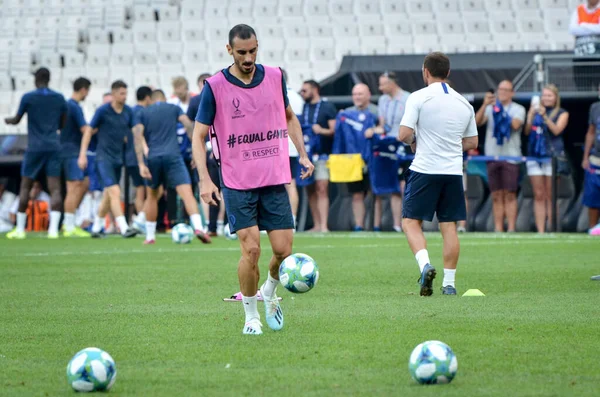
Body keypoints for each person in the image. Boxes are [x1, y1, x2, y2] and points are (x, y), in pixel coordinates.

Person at [191, 24, 314, 335]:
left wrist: (302, 154)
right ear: (229, 50)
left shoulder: (274, 76)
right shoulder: (215, 85)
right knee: (252, 251)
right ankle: (251, 317)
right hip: (237, 180)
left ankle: (270, 291)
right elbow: (198, 136)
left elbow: (288, 117)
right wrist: (205, 179)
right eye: (242, 52)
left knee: (284, 251)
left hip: (274, 177)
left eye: (253, 50)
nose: (248, 57)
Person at [398, 52, 478, 296]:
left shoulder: (419, 97)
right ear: (449, 72)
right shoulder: (464, 102)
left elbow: (403, 134)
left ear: (425, 71)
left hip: (425, 168)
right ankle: (449, 284)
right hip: (453, 172)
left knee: (411, 222)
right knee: (449, 226)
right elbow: (472, 141)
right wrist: (450, 144)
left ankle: (425, 266)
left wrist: (415, 140)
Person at [133, 89, 211, 245]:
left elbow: (137, 135)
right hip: (173, 156)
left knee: (152, 196)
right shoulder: (174, 108)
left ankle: (150, 236)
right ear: (164, 98)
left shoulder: (144, 112)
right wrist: (196, 152)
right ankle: (198, 228)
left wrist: (141, 163)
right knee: (186, 193)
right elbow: (189, 126)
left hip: (153, 157)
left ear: (150, 99)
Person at [5, 67, 67, 239]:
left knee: (25, 185)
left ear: (36, 79)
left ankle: (19, 230)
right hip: (53, 145)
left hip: (35, 146)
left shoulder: (29, 97)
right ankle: (53, 230)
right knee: (55, 187)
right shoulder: (59, 98)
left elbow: (16, 119)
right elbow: (63, 123)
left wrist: (8, 121)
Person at [78, 80, 139, 238]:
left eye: (126, 93)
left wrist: (143, 148)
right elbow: (88, 131)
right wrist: (82, 154)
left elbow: (136, 131)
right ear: (113, 94)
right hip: (103, 158)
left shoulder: (128, 112)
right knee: (114, 191)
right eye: (121, 93)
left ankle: (97, 227)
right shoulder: (102, 111)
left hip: (118, 158)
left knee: (108, 194)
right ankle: (124, 227)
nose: (124, 96)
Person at [475, 80, 525, 233]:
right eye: (500, 89)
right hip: (492, 156)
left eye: (505, 90)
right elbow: (476, 122)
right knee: (496, 194)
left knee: (510, 193)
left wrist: (499, 111)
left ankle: (510, 228)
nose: (502, 92)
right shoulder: (491, 108)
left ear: (512, 92)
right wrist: (485, 105)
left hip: (511, 157)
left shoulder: (518, 109)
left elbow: (515, 125)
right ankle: (498, 228)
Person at [524, 85, 569, 233]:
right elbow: (526, 131)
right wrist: (530, 115)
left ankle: (552, 228)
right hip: (534, 156)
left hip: (552, 157)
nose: (546, 98)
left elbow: (556, 130)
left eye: (549, 96)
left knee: (551, 194)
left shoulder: (562, 113)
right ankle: (541, 230)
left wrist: (545, 117)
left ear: (556, 98)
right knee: (539, 194)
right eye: (544, 96)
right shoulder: (535, 112)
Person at [187, 72, 226, 237]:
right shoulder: (216, 97)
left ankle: (212, 226)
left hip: (212, 148)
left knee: (214, 187)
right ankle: (220, 225)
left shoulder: (197, 100)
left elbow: (192, 129)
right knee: (222, 188)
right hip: (219, 148)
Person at [300, 80, 336, 232]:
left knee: (322, 188)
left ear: (315, 89)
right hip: (308, 154)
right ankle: (316, 224)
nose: (302, 93)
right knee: (310, 189)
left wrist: (321, 130)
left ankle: (324, 226)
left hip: (323, 154)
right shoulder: (305, 107)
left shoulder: (327, 106)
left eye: (305, 90)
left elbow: (334, 130)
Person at [376, 72, 411, 232]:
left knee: (407, 185)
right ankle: (397, 224)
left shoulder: (408, 99)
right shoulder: (383, 100)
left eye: (383, 84)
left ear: (392, 83)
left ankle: (410, 221)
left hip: (405, 143)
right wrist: (375, 130)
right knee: (394, 187)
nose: (380, 88)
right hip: (388, 144)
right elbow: (383, 124)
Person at [60, 77, 92, 237]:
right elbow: (85, 129)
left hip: (67, 150)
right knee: (73, 187)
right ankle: (68, 225)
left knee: (84, 183)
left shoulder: (68, 105)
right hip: (71, 151)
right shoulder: (74, 106)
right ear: (84, 90)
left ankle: (70, 220)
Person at [345, 83, 379, 231]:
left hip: (374, 158)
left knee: (376, 193)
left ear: (368, 95)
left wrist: (375, 130)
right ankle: (359, 225)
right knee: (356, 194)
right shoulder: (346, 113)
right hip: (353, 159)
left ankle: (377, 226)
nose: (357, 97)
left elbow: (387, 127)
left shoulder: (377, 111)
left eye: (360, 94)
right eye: (355, 94)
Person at [282, 68, 305, 229]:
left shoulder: (277, 95)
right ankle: (293, 221)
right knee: (291, 185)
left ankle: (284, 222)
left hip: (278, 146)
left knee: (275, 186)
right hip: (293, 147)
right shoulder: (297, 97)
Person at [127, 86, 152, 231]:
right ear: (147, 97)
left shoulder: (131, 111)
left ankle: (141, 220)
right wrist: (145, 149)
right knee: (153, 190)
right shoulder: (141, 111)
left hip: (129, 157)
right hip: (140, 157)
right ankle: (142, 218)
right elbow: (138, 133)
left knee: (140, 190)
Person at [568, 0, 600, 91]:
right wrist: (593, 27)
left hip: (597, 58)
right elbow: (572, 29)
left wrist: (582, 25)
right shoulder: (579, 9)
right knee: (582, 87)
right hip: (580, 56)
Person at [582, 84, 600, 234]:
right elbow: (591, 133)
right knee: (592, 197)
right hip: (596, 159)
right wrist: (585, 156)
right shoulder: (595, 107)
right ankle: (592, 229)